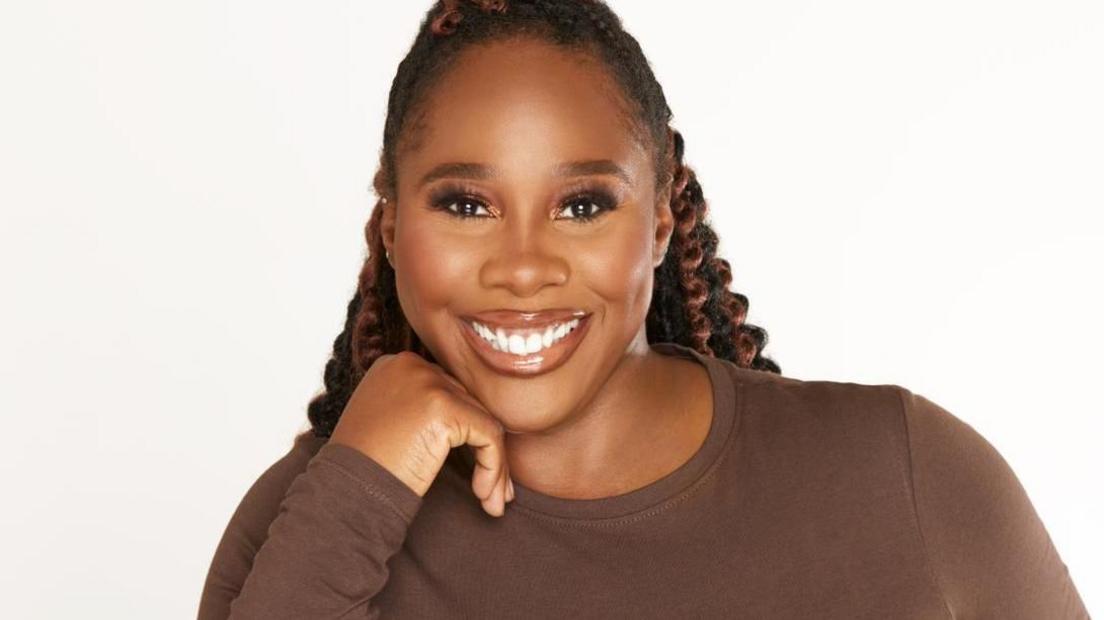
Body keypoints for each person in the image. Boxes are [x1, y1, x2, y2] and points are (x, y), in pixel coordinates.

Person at [198, 1, 1090, 618]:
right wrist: (360, 487)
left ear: (661, 218)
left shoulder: (909, 478)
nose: (522, 267)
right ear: (391, 228)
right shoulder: (314, 517)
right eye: (466, 204)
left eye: (583, 204)